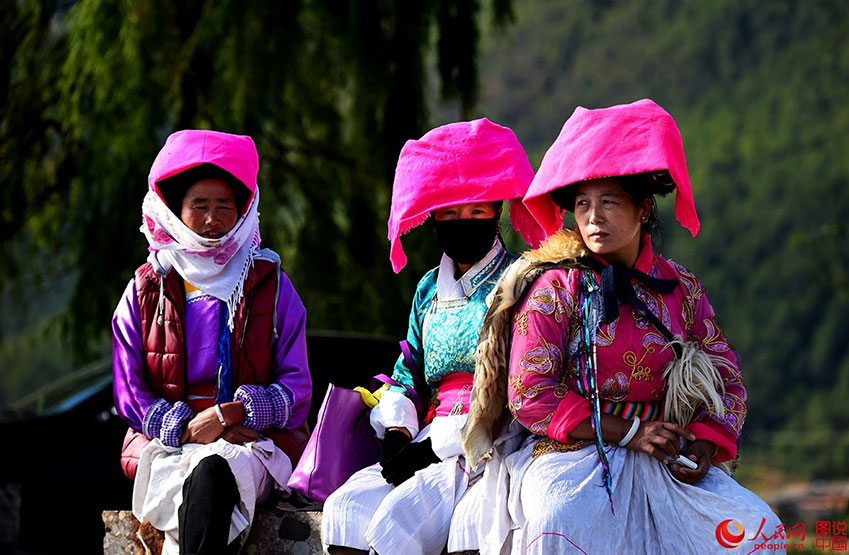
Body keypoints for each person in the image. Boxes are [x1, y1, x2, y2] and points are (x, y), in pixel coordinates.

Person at [462, 99, 782, 553]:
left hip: (666, 457)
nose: (594, 217)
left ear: (644, 210)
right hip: (572, 457)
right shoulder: (556, 287)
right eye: (582, 204)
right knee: (560, 523)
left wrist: (706, 445)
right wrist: (629, 433)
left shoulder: (680, 288)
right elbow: (529, 391)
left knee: (755, 531)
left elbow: (726, 376)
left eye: (609, 201)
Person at [321, 118, 545, 555]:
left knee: (399, 517)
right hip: (425, 436)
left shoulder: (526, 281)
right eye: (451, 213)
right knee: (345, 507)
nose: (464, 221)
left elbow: (522, 385)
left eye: (476, 211)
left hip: (493, 441)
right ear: (434, 219)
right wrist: (398, 433)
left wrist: (434, 450)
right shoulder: (427, 289)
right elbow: (408, 375)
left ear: (496, 212)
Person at [112, 130, 312, 555]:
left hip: (252, 442)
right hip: (169, 443)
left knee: (215, 473)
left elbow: (297, 390)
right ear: (174, 212)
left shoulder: (271, 285)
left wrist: (230, 415)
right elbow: (130, 391)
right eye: (198, 206)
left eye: (225, 206)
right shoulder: (147, 290)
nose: (212, 219)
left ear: (244, 211)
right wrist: (186, 427)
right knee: (198, 479)